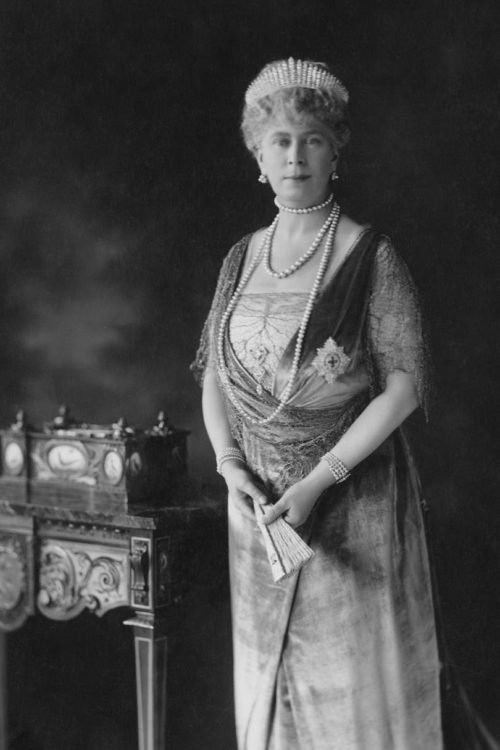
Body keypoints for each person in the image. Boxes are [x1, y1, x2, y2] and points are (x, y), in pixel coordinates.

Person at [191, 58, 494, 750]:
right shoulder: (240, 259)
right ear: (258, 158)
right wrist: (229, 466)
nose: (296, 154)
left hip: (350, 503)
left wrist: (317, 481)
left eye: (313, 139)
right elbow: (213, 374)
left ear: (336, 152)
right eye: (280, 141)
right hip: (261, 512)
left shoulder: (372, 256)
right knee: (272, 691)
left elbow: (403, 389)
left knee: (353, 703)